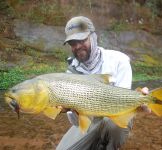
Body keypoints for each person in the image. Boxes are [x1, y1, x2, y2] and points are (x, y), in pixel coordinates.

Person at [56, 16, 150, 150]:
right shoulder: (71, 73)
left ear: (93, 37)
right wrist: (69, 109)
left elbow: (123, 105)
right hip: (89, 121)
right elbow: (77, 123)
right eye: (72, 43)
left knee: (111, 125)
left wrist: (141, 102)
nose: (77, 46)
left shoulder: (119, 60)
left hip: (115, 117)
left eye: (82, 40)